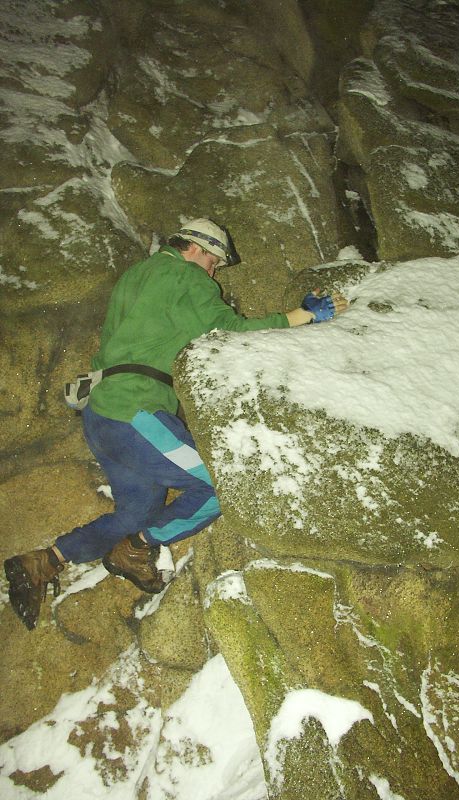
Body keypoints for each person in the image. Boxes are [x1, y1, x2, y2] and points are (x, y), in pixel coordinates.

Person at [4, 218, 348, 630]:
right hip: (137, 411)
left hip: (102, 415)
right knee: (222, 485)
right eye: (215, 263)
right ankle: (136, 549)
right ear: (198, 249)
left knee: (135, 513)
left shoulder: (138, 275)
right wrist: (302, 316)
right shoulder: (186, 275)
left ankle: (45, 561)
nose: (214, 273)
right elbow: (231, 331)